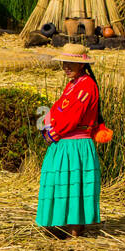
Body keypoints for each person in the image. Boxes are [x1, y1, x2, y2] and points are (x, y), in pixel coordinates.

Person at [37, 44, 104, 239]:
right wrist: (45, 123)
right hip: (65, 144)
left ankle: (75, 233)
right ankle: (57, 226)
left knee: (75, 186)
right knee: (60, 184)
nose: (66, 66)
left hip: (75, 146)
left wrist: (53, 133)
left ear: (81, 65)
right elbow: (59, 107)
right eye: (65, 62)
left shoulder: (86, 85)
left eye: (71, 63)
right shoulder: (73, 84)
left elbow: (73, 116)